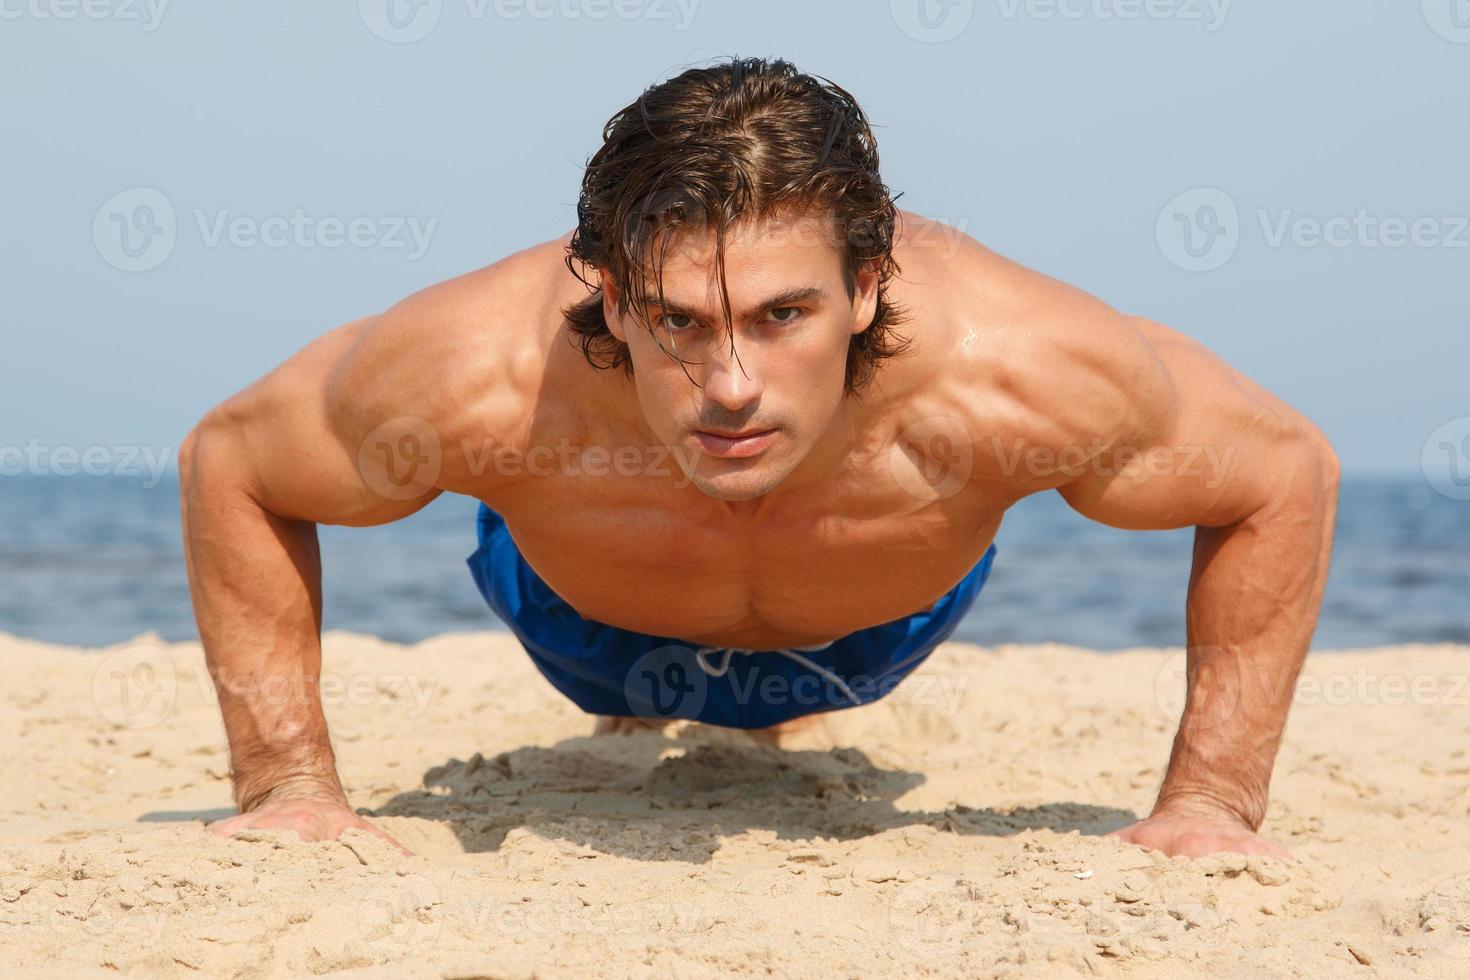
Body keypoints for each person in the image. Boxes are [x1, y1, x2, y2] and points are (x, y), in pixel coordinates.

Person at [181, 57, 1339, 860]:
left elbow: (1282, 470)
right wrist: (290, 785)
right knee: (521, 474)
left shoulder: (1017, 368)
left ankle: (779, 697)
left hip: (871, 630)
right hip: (585, 627)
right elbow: (233, 460)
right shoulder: (476, 371)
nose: (731, 384)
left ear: (869, 284)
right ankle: (631, 694)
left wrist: (1212, 801)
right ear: (611, 295)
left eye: (785, 315)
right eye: (678, 319)